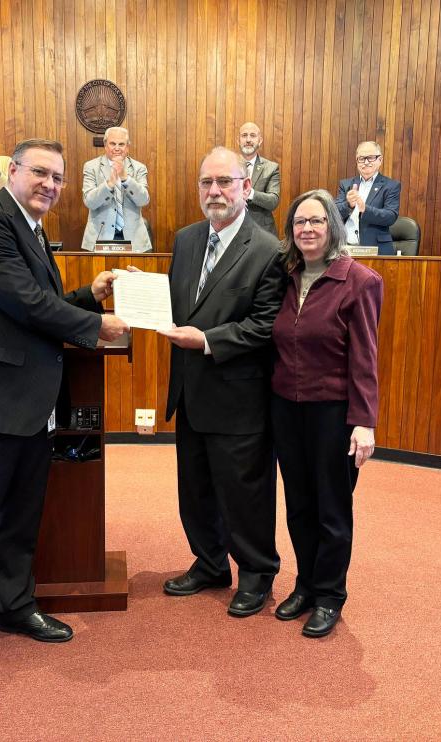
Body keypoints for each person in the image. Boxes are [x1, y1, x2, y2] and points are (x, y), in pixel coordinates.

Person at [0, 138, 129, 701]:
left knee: (19, 520)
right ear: (13, 171)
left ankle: (14, 606)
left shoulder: (31, 229)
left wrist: (88, 294)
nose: (51, 185)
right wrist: (98, 326)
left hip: (31, 404)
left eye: (58, 178)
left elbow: (39, 299)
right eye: (40, 172)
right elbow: (26, 304)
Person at [159, 146, 286, 618]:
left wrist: (206, 340)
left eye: (225, 182)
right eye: (206, 183)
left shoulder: (269, 251)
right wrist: (139, 291)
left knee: (244, 492)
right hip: (190, 393)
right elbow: (179, 303)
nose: (215, 191)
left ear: (246, 188)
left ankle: (257, 573)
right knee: (195, 488)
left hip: (238, 397)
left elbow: (263, 326)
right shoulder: (187, 239)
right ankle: (210, 562)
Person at [271, 189, 382, 638]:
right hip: (286, 409)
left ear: (332, 226)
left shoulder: (360, 281)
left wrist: (365, 421)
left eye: (316, 221)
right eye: (300, 222)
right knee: (298, 505)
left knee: (332, 509)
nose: (307, 229)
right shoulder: (284, 276)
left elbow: (365, 358)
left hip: (333, 413)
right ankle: (306, 583)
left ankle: (330, 595)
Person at [80, 126, 152, 251]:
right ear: (105, 145)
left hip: (134, 239)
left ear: (127, 147)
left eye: (121, 144)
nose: (117, 148)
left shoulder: (139, 168)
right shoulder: (91, 167)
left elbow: (143, 200)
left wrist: (126, 178)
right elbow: (89, 202)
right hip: (100, 237)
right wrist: (109, 184)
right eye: (113, 144)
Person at [334, 141, 400, 255]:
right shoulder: (346, 184)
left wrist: (365, 209)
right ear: (356, 160)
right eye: (361, 158)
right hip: (345, 249)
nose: (365, 162)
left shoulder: (391, 186)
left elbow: (390, 216)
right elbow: (334, 214)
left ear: (380, 160)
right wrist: (348, 205)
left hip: (376, 250)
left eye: (370, 158)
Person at [238, 122, 281, 237]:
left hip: (262, 232)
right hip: (233, 229)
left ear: (260, 140)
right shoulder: (227, 166)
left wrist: (250, 193)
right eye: (244, 135)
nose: (248, 140)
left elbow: (273, 201)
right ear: (238, 140)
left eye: (253, 135)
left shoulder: (271, 168)